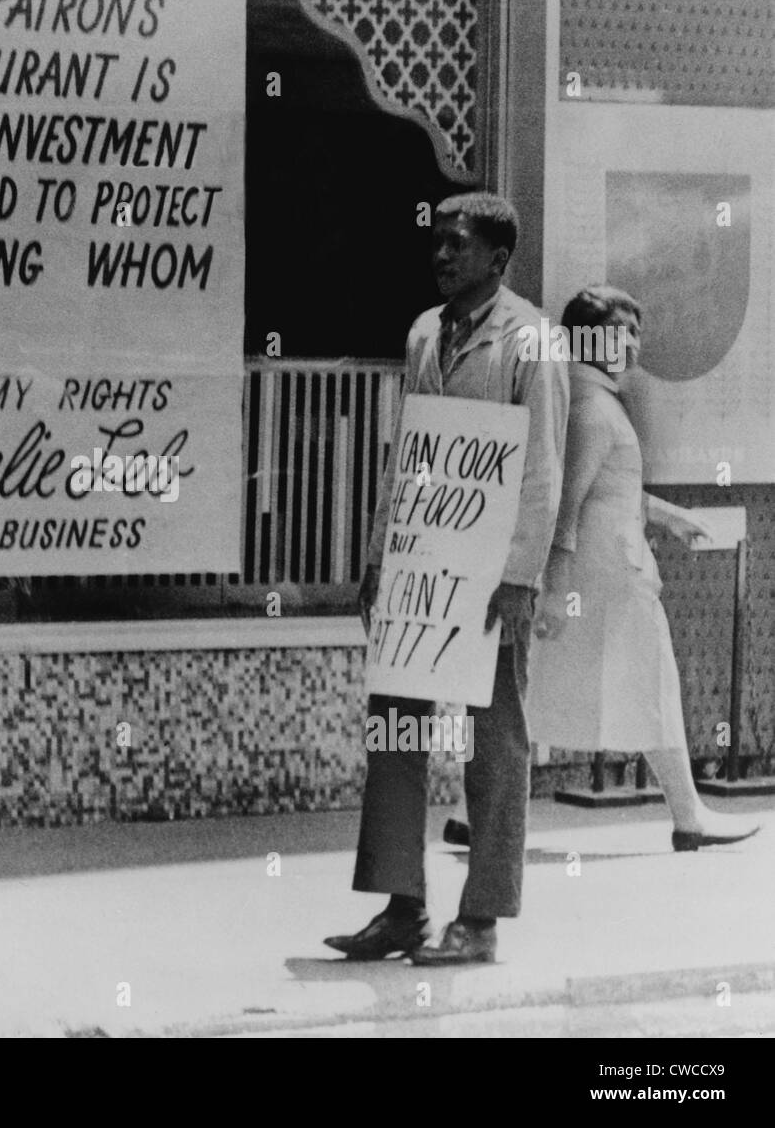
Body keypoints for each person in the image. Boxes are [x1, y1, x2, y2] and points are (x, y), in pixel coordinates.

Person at [325, 193, 569, 965]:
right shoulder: (425, 332)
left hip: (492, 574)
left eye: (457, 245)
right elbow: (409, 452)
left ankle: (483, 917)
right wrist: (378, 556)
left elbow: (541, 470)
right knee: (396, 727)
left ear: (498, 260)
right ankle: (403, 906)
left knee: (492, 739)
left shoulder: (534, 342)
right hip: (422, 568)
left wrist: (521, 574)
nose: (440, 255)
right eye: (436, 243)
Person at [523, 286, 761, 850]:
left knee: (534, 692)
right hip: (605, 580)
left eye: (635, 332)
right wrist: (553, 590)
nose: (633, 344)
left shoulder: (586, 399)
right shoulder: (592, 407)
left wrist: (667, 513)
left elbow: (607, 489)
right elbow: (566, 504)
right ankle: (689, 818)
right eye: (622, 330)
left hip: (597, 578)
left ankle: (471, 811)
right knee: (651, 687)